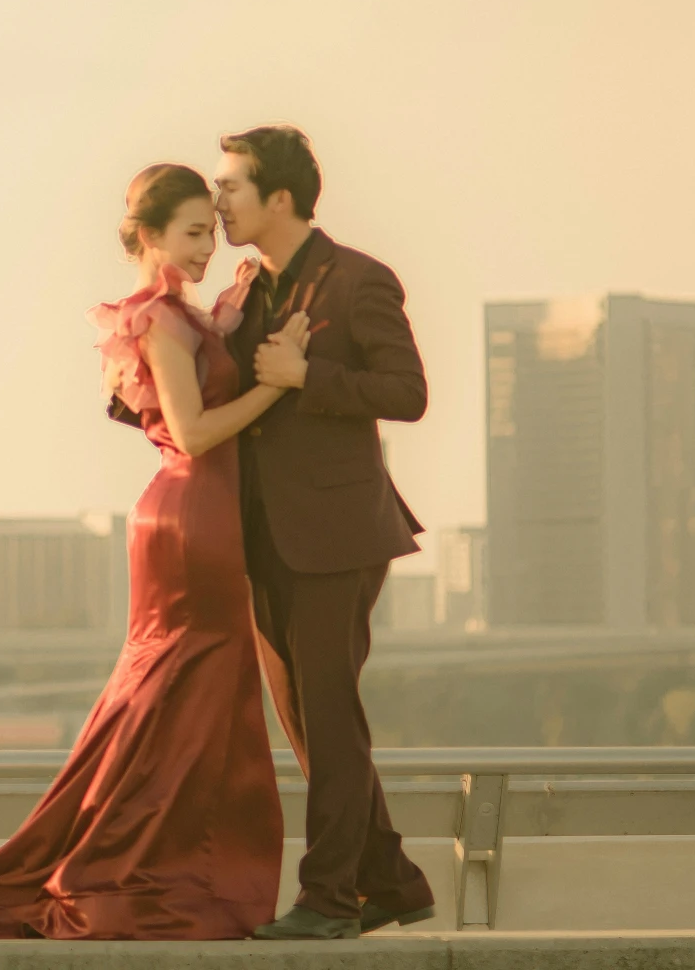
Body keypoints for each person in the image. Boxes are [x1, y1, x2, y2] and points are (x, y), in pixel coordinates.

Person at [0, 163, 303, 940]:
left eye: (210, 234)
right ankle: (141, 874)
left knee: (180, 697)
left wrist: (241, 303)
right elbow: (193, 433)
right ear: (146, 236)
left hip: (185, 515)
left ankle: (166, 869)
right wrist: (282, 384)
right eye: (189, 234)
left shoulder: (166, 317)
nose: (204, 248)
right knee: (188, 692)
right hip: (194, 515)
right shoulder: (161, 320)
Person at [214, 125, 437, 940]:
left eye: (231, 186)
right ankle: (393, 880)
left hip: (339, 533)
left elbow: (407, 392)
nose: (217, 201)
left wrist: (310, 376)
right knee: (307, 720)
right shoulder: (242, 285)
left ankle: (328, 899)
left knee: (330, 713)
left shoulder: (359, 281)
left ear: (280, 196)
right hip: (262, 535)